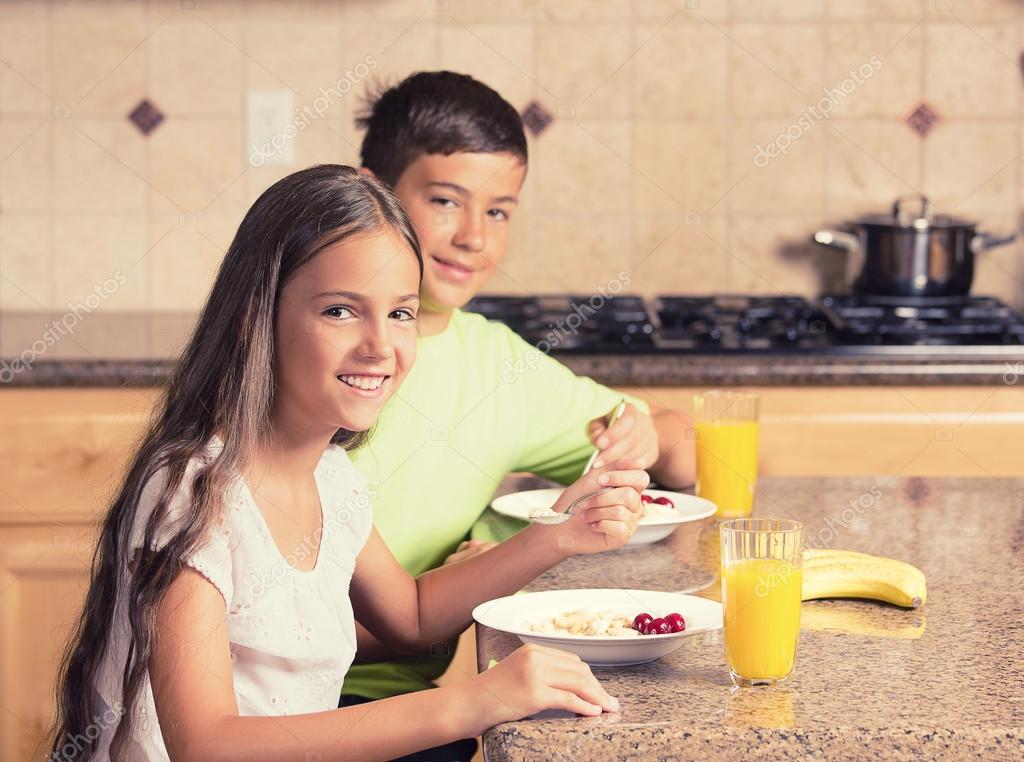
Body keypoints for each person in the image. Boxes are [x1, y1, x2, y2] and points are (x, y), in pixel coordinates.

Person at [49, 165, 648, 762]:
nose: (379, 346)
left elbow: (410, 619)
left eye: (401, 313)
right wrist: (471, 702)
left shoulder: (331, 478)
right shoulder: (192, 492)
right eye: (340, 310)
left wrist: (561, 534)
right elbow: (206, 745)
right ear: (252, 320)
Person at [342, 70, 696, 748]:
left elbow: (682, 446)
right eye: (446, 200)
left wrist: (649, 433)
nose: (474, 236)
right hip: (276, 706)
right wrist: (448, 595)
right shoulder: (312, 357)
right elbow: (261, 636)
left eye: (499, 210)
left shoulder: (500, 369)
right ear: (372, 195)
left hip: (398, 715)